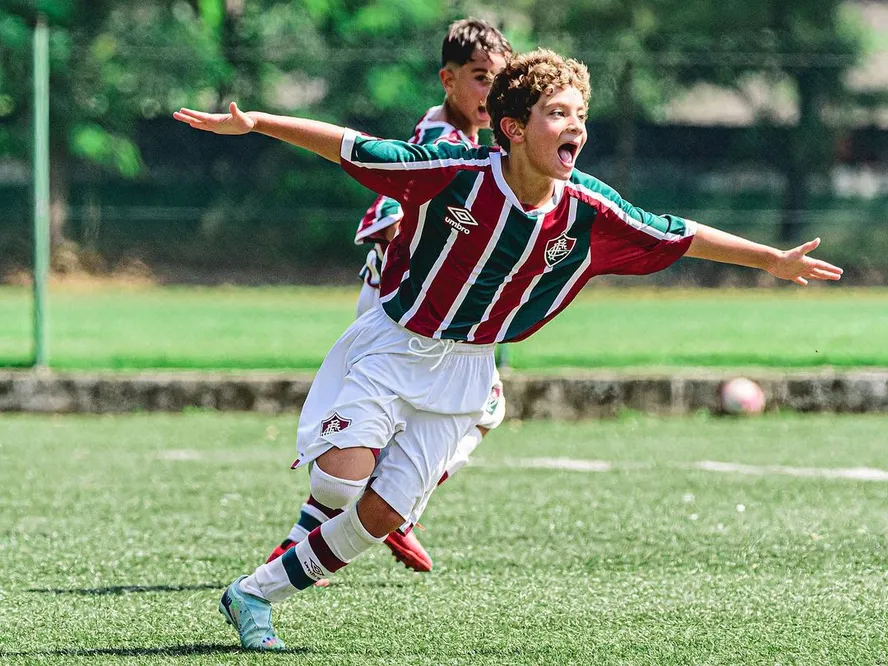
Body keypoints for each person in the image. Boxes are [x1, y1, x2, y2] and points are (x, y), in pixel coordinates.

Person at [174, 49, 843, 651]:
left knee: (380, 515)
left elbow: (675, 232)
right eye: (557, 112)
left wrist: (770, 260)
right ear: (515, 128)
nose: (574, 126)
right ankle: (306, 525)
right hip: (396, 343)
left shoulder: (586, 207)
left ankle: (254, 593)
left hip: (468, 371)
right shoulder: (454, 171)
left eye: (579, 113)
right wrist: (259, 121)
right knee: (342, 480)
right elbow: (356, 146)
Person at [264, 18, 513, 576]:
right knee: (466, 413)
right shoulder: (438, 144)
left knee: (479, 410)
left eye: (498, 81)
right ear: (448, 80)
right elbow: (393, 211)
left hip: (416, 310)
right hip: (402, 312)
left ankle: (376, 512)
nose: (489, 93)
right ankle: (359, 521)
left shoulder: (473, 142)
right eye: (479, 78)